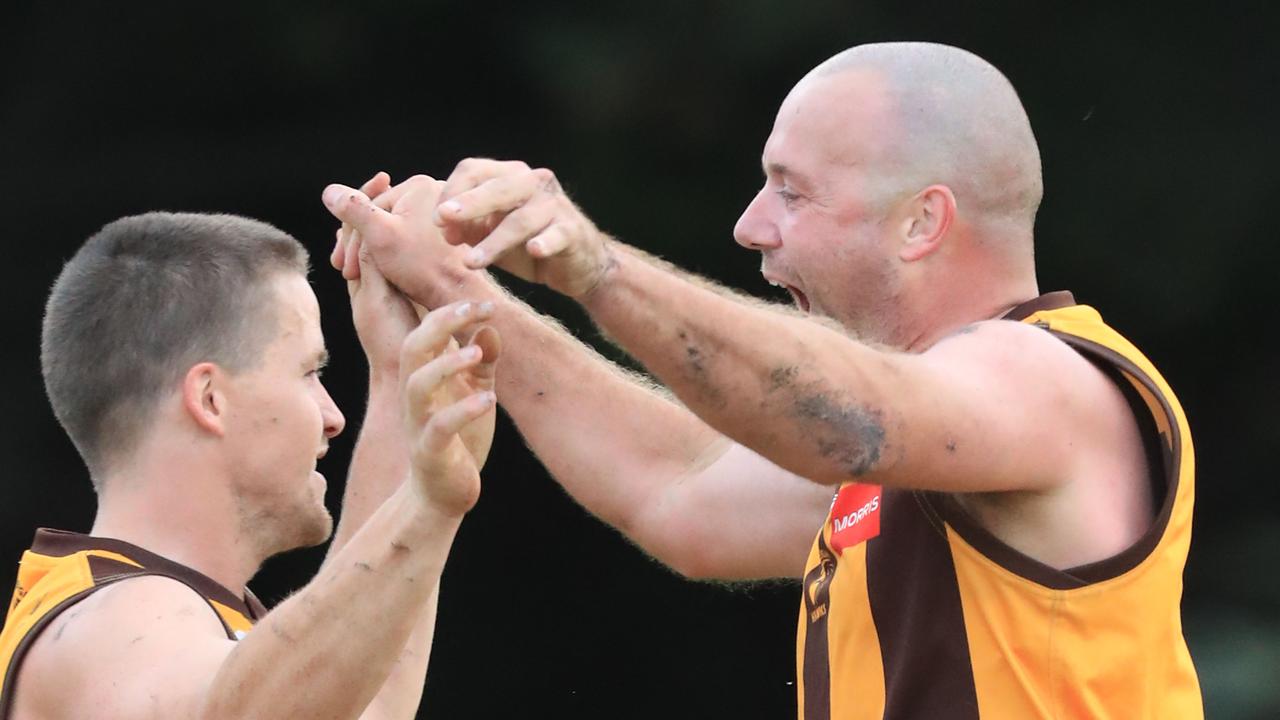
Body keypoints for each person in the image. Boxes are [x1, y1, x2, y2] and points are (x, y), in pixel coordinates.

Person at [325, 42, 1202, 718]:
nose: (750, 226)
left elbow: (847, 417)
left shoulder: (1045, 376)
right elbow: (677, 491)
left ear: (922, 221)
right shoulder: (928, 449)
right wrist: (459, 293)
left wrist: (594, 267)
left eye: (791, 191)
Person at [0, 186, 501, 720]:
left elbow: (366, 707)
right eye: (310, 372)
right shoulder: (122, 618)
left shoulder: (164, 619)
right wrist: (424, 507)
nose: (334, 417)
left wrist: (405, 389)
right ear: (210, 399)